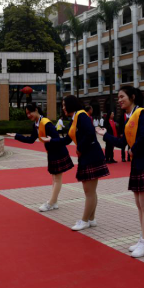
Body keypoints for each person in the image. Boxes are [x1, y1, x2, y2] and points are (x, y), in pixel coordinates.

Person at [96, 86, 144, 258]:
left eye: (122, 96)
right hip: (138, 164)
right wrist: (105, 135)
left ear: (132, 97)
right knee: (139, 204)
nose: (119, 100)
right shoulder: (129, 118)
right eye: (118, 97)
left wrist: (133, 149)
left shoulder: (141, 113)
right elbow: (122, 143)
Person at [42, 95, 110, 230]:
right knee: (91, 191)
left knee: (89, 192)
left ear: (71, 105)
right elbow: (67, 140)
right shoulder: (74, 119)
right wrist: (51, 140)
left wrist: (80, 148)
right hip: (88, 156)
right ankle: (91, 219)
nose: (63, 108)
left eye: (64, 105)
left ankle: (84, 220)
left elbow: (90, 133)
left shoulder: (81, 115)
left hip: (91, 156)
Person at [5, 104, 74, 212]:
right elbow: (31, 140)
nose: (28, 115)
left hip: (58, 151)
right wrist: (16, 136)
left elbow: (56, 138)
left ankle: (50, 203)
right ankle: (54, 202)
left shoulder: (46, 123)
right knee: (54, 178)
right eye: (27, 113)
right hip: (51, 152)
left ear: (36, 110)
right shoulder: (36, 125)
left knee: (57, 179)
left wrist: (50, 141)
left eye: (30, 112)